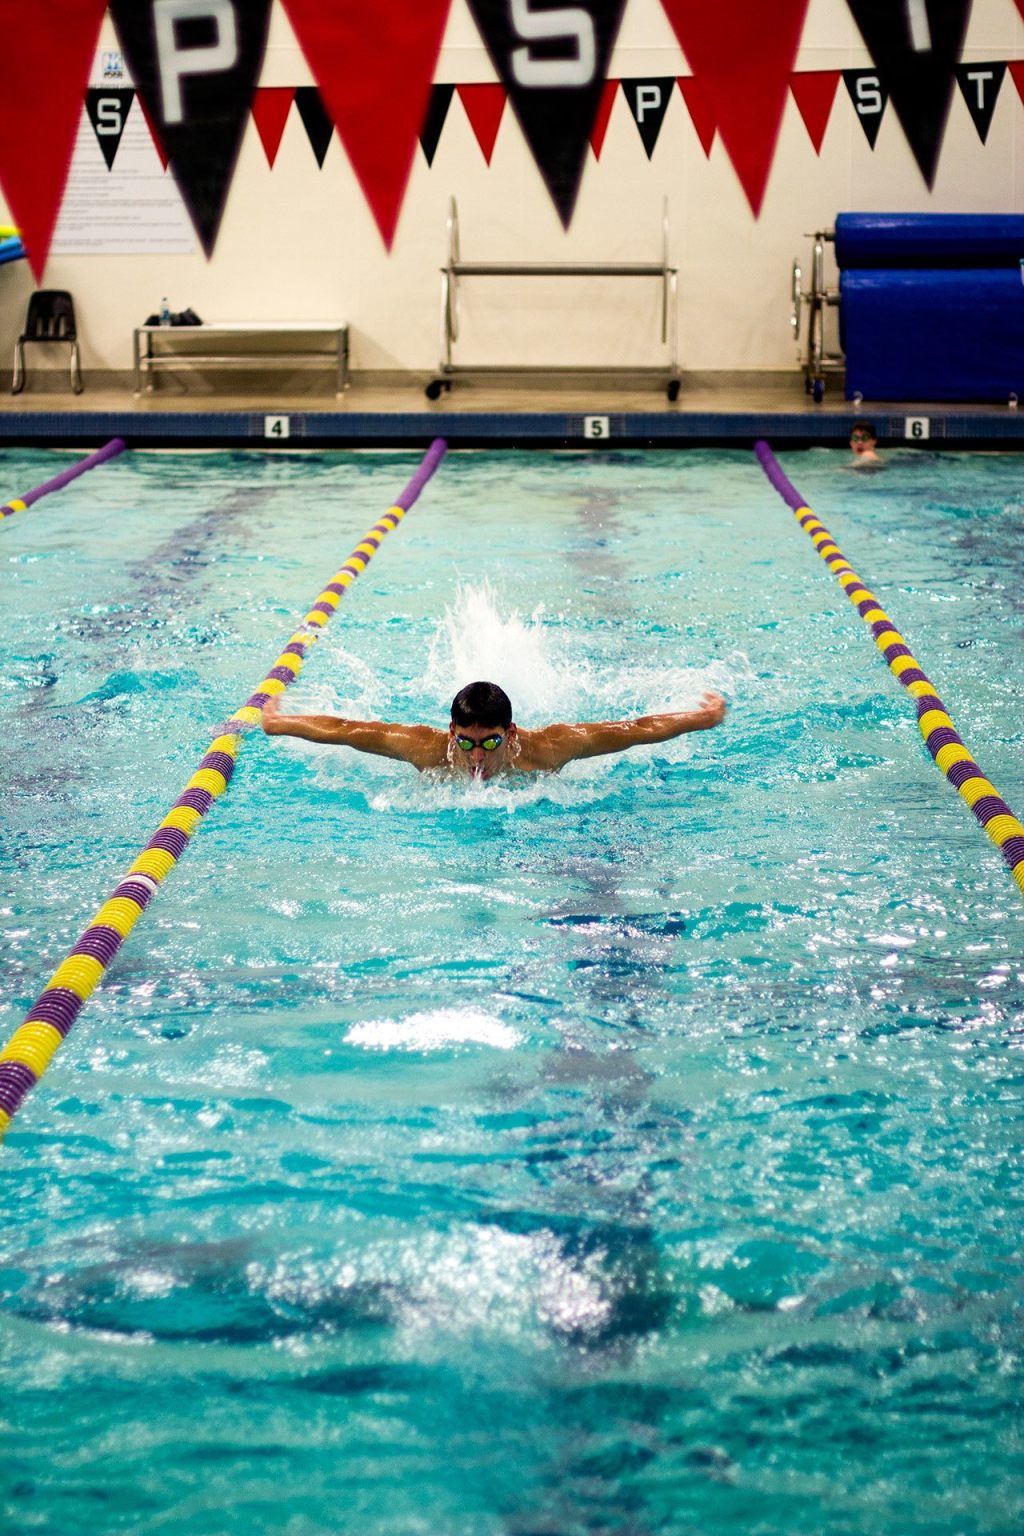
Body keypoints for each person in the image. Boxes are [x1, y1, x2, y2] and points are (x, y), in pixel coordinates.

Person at [261, 679, 726, 780]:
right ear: (451, 732)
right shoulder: (426, 749)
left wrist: (700, 718)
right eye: (466, 742)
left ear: (512, 733)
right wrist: (280, 723)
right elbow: (347, 729)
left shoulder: (549, 749)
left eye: (489, 743)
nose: (477, 756)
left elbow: (637, 729)